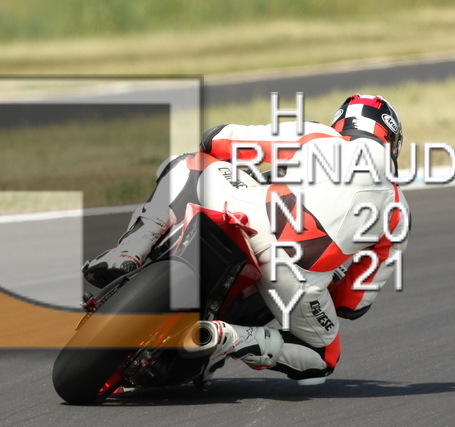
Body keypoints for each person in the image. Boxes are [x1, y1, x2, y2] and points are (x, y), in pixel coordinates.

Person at [83, 94, 410, 387]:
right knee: (324, 358)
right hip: (294, 280)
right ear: (391, 141)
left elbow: (219, 139)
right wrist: (327, 276)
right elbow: (351, 304)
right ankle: (229, 337)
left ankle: (129, 250)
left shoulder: (318, 134)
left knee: (190, 162)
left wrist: (227, 152)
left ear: (340, 122)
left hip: (249, 217)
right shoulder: (398, 211)